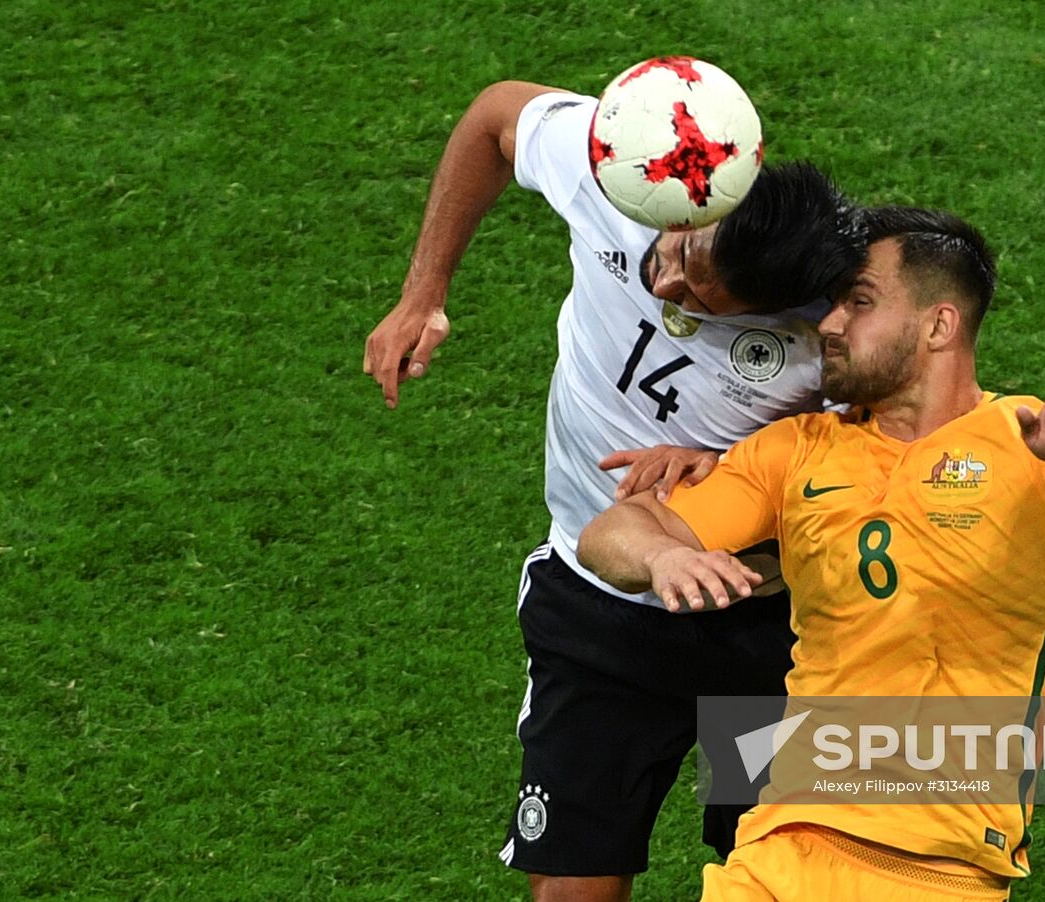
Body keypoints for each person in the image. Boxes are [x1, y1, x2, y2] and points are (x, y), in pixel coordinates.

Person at [578, 205, 1045, 900]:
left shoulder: (1030, 440)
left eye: (859, 302)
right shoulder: (797, 450)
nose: (828, 324)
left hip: (936, 865)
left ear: (939, 325)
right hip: (777, 846)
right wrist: (664, 558)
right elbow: (609, 534)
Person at [363, 79, 868, 901]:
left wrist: (724, 465)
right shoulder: (634, 180)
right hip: (600, 610)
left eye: (703, 304)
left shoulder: (842, 327)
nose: (668, 291)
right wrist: (424, 292)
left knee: (783, 882)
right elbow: (495, 118)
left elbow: (879, 463)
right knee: (573, 887)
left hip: (772, 630)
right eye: (683, 259)